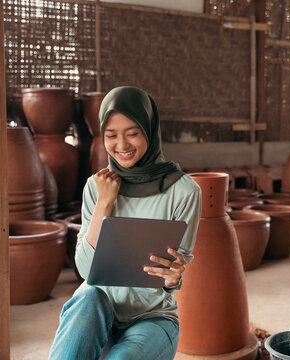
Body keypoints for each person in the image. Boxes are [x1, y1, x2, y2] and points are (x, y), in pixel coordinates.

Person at [49, 86, 202, 360]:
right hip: (96, 308)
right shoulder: (95, 187)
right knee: (86, 299)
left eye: (132, 133)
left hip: (152, 317)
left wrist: (174, 276)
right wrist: (104, 203)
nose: (122, 146)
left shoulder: (184, 192)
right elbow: (86, 269)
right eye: (111, 135)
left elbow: (173, 278)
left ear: (150, 129)